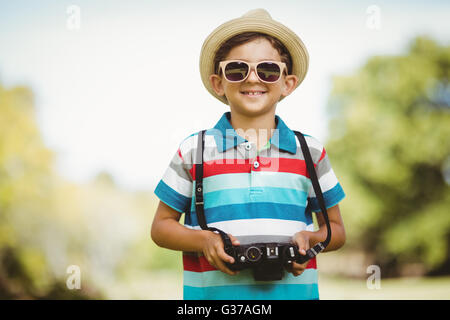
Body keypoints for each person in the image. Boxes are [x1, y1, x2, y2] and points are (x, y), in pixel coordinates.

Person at [151, 8, 346, 300]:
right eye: (237, 69)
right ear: (219, 83)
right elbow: (160, 228)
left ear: (286, 83)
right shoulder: (195, 150)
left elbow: (336, 230)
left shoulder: (311, 152)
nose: (252, 79)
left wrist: (311, 240)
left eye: (267, 70)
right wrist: (203, 240)